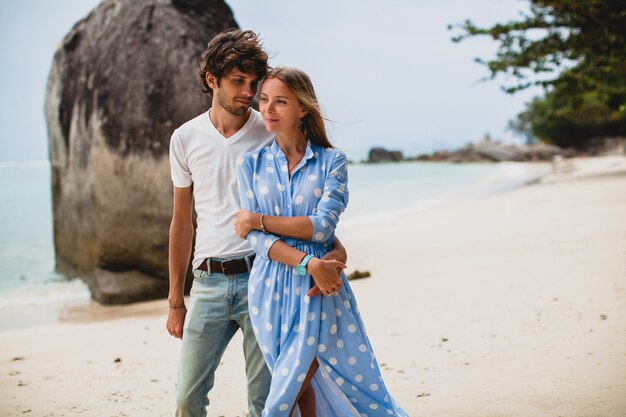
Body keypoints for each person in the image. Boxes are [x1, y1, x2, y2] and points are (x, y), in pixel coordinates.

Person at [166, 30, 347, 417]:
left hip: (263, 278)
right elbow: (182, 223)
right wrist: (175, 299)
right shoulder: (185, 138)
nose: (249, 93)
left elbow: (301, 195)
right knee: (186, 400)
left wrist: (335, 243)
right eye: (238, 82)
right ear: (212, 80)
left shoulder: (267, 130)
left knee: (265, 401)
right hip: (208, 281)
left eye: (254, 84)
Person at [235, 67, 409, 417]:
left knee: (284, 394)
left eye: (280, 101)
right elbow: (253, 238)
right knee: (301, 394)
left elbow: (321, 226)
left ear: (302, 109)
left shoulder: (333, 161)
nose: (268, 109)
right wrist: (306, 261)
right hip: (269, 287)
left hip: (319, 286)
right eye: (264, 100)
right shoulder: (249, 163)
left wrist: (260, 220)